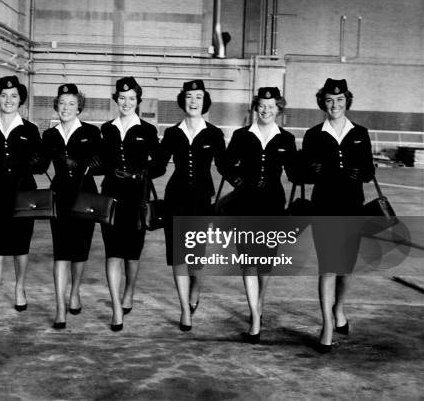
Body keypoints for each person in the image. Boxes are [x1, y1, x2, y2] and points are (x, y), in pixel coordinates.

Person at [302, 78, 374, 353]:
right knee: (328, 266)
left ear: (347, 101)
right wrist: (314, 169)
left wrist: (362, 173)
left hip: (353, 205)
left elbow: (369, 170)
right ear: (323, 102)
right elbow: (303, 172)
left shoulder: (360, 133)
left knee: (346, 267)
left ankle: (339, 309)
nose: (335, 105)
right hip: (324, 205)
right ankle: (327, 325)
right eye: (330, 100)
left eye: (340, 99)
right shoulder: (313, 134)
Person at [225, 87, 297, 343]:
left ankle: (260, 304)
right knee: (248, 260)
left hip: (272, 206)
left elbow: (295, 173)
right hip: (245, 204)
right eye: (262, 106)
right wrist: (237, 180)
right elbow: (225, 163)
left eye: (271, 106)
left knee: (265, 262)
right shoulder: (242, 135)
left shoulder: (286, 139)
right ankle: (255, 317)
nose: (266, 110)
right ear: (255, 108)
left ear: (279, 109)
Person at [0, 76, 44, 327]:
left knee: (21, 247)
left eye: (14, 96)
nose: (9, 100)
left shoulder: (30, 129)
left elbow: (42, 164)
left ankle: (20, 288)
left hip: (24, 193)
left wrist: (30, 162)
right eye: (4, 95)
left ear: (20, 99)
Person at [157, 80, 226, 332]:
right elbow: (159, 166)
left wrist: (243, 176)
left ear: (204, 101)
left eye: (198, 97)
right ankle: (185, 309)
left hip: (200, 199)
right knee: (178, 255)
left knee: (196, 256)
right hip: (175, 198)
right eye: (189, 97)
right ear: (182, 100)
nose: (193, 101)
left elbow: (224, 165)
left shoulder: (214, 134)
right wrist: (141, 165)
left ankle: (196, 286)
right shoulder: (172, 133)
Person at [100, 76, 164, 332]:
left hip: (137, 198)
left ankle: (129, 291)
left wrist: (141, 173)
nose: (127, 102)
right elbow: (101, 161)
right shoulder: (107, 128)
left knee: (132, 253)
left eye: (132, 99)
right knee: (113, 251)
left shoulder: (147, 130)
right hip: (111, 197)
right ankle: (117, 308)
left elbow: (159, 164)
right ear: (116, 99)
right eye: (122, 98)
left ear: (138, 101)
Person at [41, 84, 102, 329]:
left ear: (79, 107)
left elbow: (101, 164)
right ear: (57, 105)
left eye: (71, 104)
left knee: (80, 250)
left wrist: (85, 165)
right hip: (59, 197)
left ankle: (75, 292)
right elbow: (40, 164)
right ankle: (59, 308)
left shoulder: (91, 132)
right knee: (61, 252)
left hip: (85, 196)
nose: (65, 108)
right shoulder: (50, 135)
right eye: (62, 103)